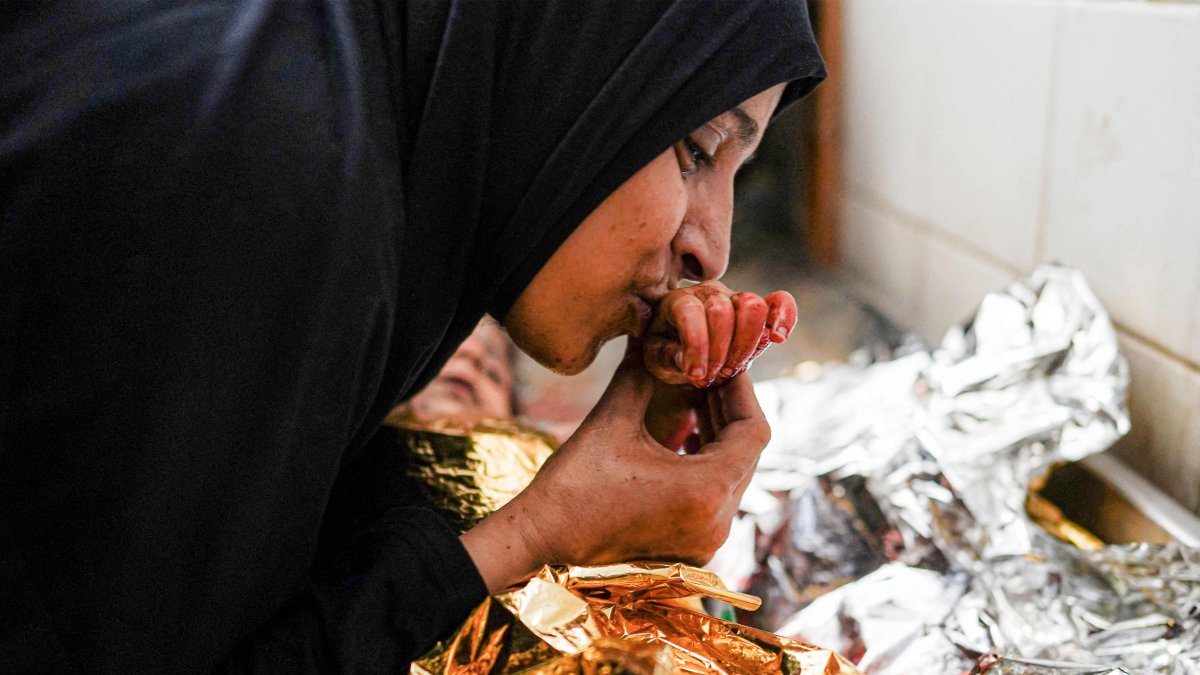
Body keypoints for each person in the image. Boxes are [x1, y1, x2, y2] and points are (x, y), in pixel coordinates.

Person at [0, 1, 825, 672]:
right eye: (698, 149)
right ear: (578, 59)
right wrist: (534, 531)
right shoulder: (272, 178)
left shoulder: (365, 92)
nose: (710, 247)